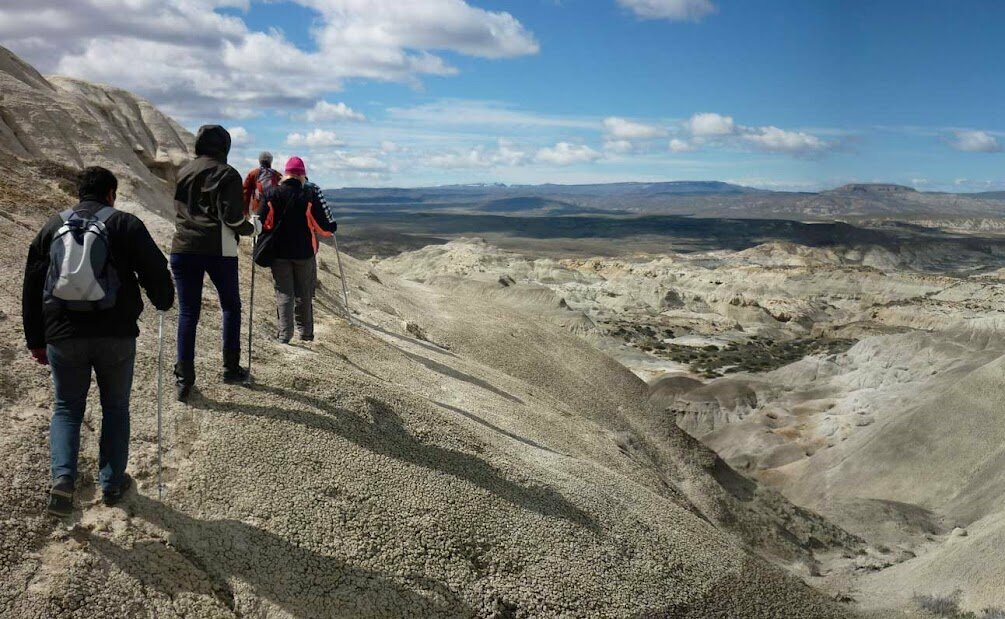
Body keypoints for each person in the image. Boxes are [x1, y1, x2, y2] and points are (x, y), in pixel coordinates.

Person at [22, 166, 175, 515]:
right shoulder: (125, 224)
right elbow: (154, 270)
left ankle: (63, 480)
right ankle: (111, 483)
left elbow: (32, 285)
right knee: (116, 407)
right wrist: (164, 300)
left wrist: (36, 339)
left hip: (63, 335)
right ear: (112, 194)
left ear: (78, 193)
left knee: (67, 407)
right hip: (116, 335)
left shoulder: (52, 226)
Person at [171, 125, 254, 401]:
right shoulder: (227, 173)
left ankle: (184, 378)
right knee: (230, 306)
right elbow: (230, 217)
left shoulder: (184, 171)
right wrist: (249, 229)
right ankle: (230, 368)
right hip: (218, 248)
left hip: (183, 246)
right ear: (224, 147)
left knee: (188, 313)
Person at [254, 156, 336, 343]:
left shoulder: (271, 194)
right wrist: (332, 228)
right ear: (302, 175)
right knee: (303, 293)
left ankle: (285, 335)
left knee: (284, 292)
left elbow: (262, 224)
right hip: (304, 253)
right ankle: (306, 333)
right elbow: (323, 228)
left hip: (279, 253)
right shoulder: (309, 196)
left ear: (286, 174)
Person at [242, 151, 281, 218]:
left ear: (259, 161)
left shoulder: (253, 174)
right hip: (273, 208)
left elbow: (246, 192)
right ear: (271, 161)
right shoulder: (277, 175)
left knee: (257, 227)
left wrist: (245, 211)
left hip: (257, 207)